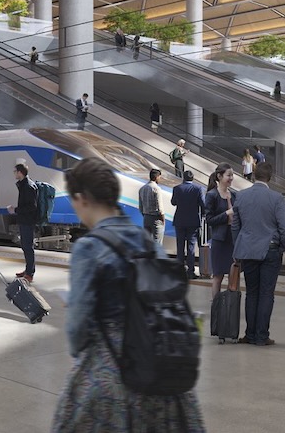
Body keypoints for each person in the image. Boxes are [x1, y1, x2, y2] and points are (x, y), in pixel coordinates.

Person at [52, 157, 206, 431]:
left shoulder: (88, 247)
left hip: (113, 370)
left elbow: (78, 329)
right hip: (158, 361)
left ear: (82, 198)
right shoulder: (144, 239)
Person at [231, 161, 285, 346]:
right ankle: (262, 336)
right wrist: (282, 247)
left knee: (252, 293)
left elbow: (235, 226)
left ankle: (249, 334)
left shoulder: (241, 196)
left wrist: (238, 247)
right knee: (266, 294)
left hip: (248, 251)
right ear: (270, 178)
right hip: (270, 250)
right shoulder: (276, 198)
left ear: (254, 175)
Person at [204, 164, 236, 299]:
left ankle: (231, 306)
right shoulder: (212, 195)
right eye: (228, 175)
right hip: (220, 239)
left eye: (232, 175)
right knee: (218, 275)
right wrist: (227, 213)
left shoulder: (234, 195)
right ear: (219, 176)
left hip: (233, 239)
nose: (231, 178)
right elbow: (209, 219)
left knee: (233, 274)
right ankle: (216, 306)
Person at [8, 163, 40, 282]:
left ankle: (30, 273)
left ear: (20, 172)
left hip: (27, 221)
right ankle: (28, 270)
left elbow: (31, 207)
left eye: (15, 171)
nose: (14, 174)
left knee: (28, 247)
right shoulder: (25, 185)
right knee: (26, 246)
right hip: (25, 220)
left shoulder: (27, 186)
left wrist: (15, 210)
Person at [171, 170, 204, 280]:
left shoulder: (177, 188)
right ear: (193, 178)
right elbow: (202, 204)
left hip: (179, 221)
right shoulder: (198, 189)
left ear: (183, 178)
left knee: (180, 247)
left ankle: (179, 272)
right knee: (191, 247)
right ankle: (190, 272)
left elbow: (173, 202)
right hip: (193, 221)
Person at [138, 168, 164, 243]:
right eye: (159, 177)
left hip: (146, 217)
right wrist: (162, 218)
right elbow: (160, 206)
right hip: (156, 218)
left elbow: (140, 206)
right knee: (157, 243)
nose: (160, 179)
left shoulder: (142, 189)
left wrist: (145, 215)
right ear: (156, 177)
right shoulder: (157, 189)